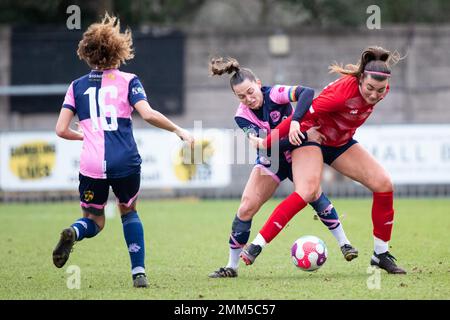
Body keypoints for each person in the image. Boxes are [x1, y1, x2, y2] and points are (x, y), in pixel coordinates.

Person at [52, 13, 194, 288]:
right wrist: (178, 130)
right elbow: (148, 114)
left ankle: (74, 231)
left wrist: (85, 136)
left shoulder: (76, 86)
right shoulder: (129, 80)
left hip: (92, 165)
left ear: (87, 52)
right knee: (128, 211)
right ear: (118, 49)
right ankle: (138, 272)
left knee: (94, 220)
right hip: (125, 161)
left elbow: (60, 129)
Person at [242, 46, 406, 274]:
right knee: (308, 191)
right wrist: (266, 142)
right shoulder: (340, 94)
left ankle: (380, 254)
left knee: (384, 184)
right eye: (370, 88)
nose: (374, 95)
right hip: (312, 137)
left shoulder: (381, 88)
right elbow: (298, 117)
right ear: (360, 80)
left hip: (340, 144)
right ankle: (257, 245)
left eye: (380, 90)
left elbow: (371, 96)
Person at [207, 57, 358, 278]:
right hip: (274, 159)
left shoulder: (275, 93)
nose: (248, 99)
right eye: (241, 96)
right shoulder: (241, 116)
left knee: (312, 193)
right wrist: (303, 134)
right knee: (246, 207)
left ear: (258, 83)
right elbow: (265, 148)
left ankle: (345, 244)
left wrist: (296, 121)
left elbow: (306, 93)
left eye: (251, 91)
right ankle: (231, 266)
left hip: (300, 151)